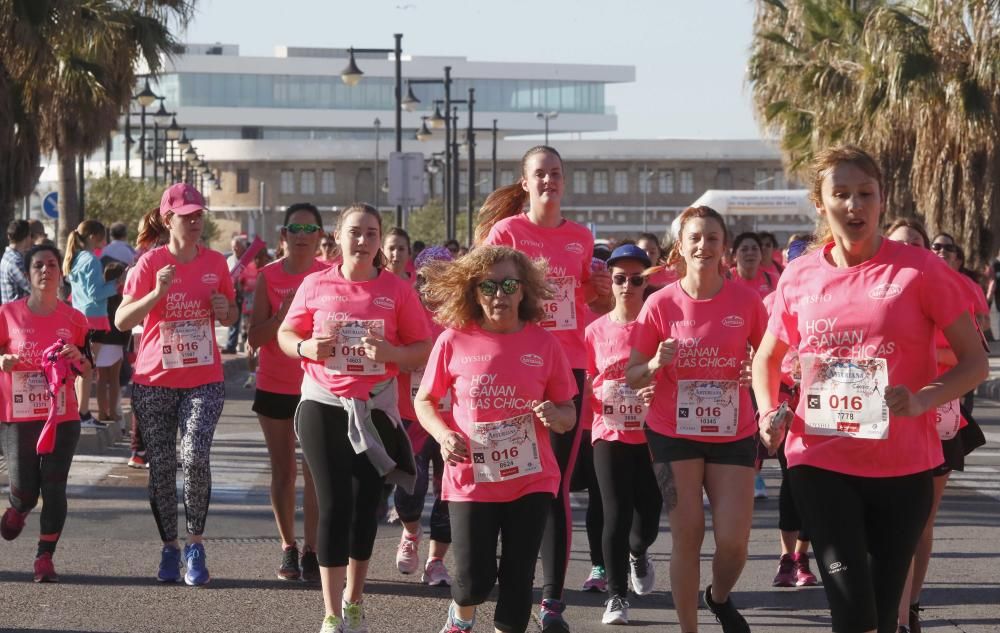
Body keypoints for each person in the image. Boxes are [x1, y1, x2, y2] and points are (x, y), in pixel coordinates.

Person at [753, 146, 988, 633]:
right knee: (852, 611)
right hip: (819, 460)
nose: (855, 205)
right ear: (820, 202)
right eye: (841, 194)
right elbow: (767, 359)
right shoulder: (800, 275)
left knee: (882, 617)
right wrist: (766, 411)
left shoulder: (919, 270)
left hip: (903, 465)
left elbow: (975, 363)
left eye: (866, 193)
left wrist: (923, 398)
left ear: (882, 198)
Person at [477, 144, 612, 633]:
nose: (549, 181)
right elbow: (484, 292)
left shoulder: (580, 236)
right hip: (512, 368)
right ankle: (498, 573)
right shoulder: (506, 233)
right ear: (526, 181)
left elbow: (591, 298)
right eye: (540, 174)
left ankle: (552, 600)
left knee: (553, 480)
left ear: (563, 180)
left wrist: (598, 285)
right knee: (507, 472)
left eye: (556, 173)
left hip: (567, 367)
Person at [277, 203, 431, 633]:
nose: (362, 241)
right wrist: (307, 348)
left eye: (370, 233)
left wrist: (393, 356)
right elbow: (286, 334)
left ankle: (354, 601)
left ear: (379, 240)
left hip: (376, 407)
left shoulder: (397, 291)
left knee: (365, 508)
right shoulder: (315, 284)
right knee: (334, 506)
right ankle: (329, 613)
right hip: (322, 404)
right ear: (339, 237)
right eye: (354, 232)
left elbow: (423, 347)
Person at [415, 245, 577, 633]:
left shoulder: (544, 344)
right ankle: (461, 615)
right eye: (488, 286)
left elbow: (568, 411)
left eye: (508, 285)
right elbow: (425, 400)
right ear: (474, 291)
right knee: (472, 581)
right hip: (472, 479)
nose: (499, 295)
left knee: (518, 578)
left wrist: (557, 416)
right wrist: (442, 433)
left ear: (524, 291)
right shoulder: (454, 340)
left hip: (531, 478)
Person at [626, 205, 765, 633]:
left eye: (712, 238)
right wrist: (653, 363)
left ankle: (718, 596)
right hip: (672, 431)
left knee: (733, 541)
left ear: (724, 247)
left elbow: (774, 360)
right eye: (695, 238)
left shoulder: (747, 300)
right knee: (687, 534)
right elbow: (632, 376)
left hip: (733, 431)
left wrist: (755, 367)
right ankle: (689, 629)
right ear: (680, 248)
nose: (703, 245)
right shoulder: (659, 305)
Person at [115, 183, 238, 586]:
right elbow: (122, 321)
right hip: (154, 379)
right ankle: (170, 545)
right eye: (187, 216)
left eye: (199, 214)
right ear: (169, 219)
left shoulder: (216, 263)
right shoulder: (149, 264)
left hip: (204, 377)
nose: (196, 221)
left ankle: (196, 543)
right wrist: (157, 293)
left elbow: (231, 312)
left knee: (195, 452)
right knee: (163, 466)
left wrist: (225, 310)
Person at [886, 221, 987, 633]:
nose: (909, 249)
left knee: (920, 520)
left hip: (937, 417)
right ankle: (886, 606)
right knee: (884, 518)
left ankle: (908, 605)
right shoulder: (866, 289)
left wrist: (929, 369)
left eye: (917, 243)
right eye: (900, 244)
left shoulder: (945, 287)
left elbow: (972, 354)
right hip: (879, 420)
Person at [0, 243, 90, 582]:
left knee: (54, 487)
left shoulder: (74, 318)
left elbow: (87, 367)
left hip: (61, 415)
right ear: (27, 274)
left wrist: (78, 359)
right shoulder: (7, 314)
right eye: (38, 265)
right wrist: (2, 361)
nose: (45, 271)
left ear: (60, 272)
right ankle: (19, 507)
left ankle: (44, 557)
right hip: (17, 414)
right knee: (26, 488)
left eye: (52, 264)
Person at [248, 203, 327, 582]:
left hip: (317, 388)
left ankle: (312, 548)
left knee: (313, 471)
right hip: (274, 386)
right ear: (284, 235)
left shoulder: (329, 276)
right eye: (294, 228)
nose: (300, 235)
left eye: (308, 229)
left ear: (320, 237)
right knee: (283, 471)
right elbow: (254, 337)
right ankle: (288, 547)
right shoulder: (268, 276)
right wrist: (282, 317)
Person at [586, 244, 662, 625]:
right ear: (610, 282)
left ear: (646, 283)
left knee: (648, 516)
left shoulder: (658, 328)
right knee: (614, 516)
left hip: (652, 435)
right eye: (620, 279)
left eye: (636, 280)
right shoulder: (594, 331)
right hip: (609, 433)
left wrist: (656, 388)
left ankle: (639, 552)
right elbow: (584, 382)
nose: (628, 286)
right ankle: (616, 596)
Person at [393, 245, 454, 587]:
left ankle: (436, 561)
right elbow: (392, 353)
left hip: (451, 417)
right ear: (418, 277)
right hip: (412, 412)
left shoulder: (463, 312)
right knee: (409, 487)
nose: (436, 283)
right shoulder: (408, 309)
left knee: (448, 490)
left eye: (444, 274)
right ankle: (411, 532)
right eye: (429, 276)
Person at [760, 240, 818, 589]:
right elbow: (761, 354)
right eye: (795, 263)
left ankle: (803, 553)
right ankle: (787, 557)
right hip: (786, 404)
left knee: (816, 483)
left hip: (822, 405)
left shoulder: (827, 298)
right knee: (792, 480)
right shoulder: (770, 302)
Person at [64, 220, 120, 430]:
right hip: (94, 317)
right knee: (87, 367)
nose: (104, 239)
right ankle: (83, 412)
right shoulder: (91, 260)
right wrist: (117, 284)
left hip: (79, 316)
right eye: (101, 235)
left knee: (82, 366)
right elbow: (95, 293)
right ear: (93, 237)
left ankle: (81, 410)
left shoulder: (77, 257)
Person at [731, 232, 775, 300]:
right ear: (734, 256)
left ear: (761, 255)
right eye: (744, 249)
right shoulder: (724, 279)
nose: (750, 253)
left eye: (754, 249)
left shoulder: (773, 280)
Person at [224, 235, 248, 353]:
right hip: (234, 294)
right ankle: (231, 346)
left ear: (243, 248)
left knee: (247, 323)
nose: (235, 250)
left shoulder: (248, 260)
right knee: (234, 321)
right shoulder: (230, 260)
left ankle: (247, 345)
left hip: (248, 294)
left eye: (237, 247)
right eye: (233, 248)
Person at [1, 220, 32, 304]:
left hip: (12, 313)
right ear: (27, 237)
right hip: (16, 314)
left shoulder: (8, 257)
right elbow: (34, 288)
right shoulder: (15, 262)